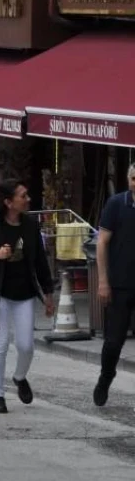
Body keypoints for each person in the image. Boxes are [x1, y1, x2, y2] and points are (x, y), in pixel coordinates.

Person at [0, 179, 56, 414]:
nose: (28, 199)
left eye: (27, 195)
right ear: (9, 202)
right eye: (23, 196)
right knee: (0, 345)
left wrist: (48, 294)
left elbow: (40, 261)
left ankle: (19, 377)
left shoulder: (30, 225)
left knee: (26, 346)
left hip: (24, 294)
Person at [94, 165, 135, 406]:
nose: (134, 183)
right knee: (113, 342)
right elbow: (101, 243)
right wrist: (102, 281)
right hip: (119, 285)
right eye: (132, 178)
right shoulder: (116, 204)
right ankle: (105, 377)